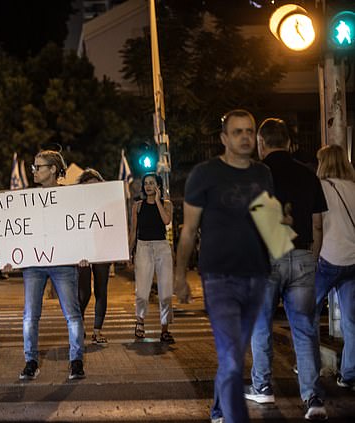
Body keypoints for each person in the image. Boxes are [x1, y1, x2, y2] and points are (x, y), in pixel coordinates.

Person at [174, 109, 274, 423]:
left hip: (257, 276)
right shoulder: (205, 175)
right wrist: (180, 276)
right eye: (237, 132)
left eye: (249, 131)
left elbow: (270, 226)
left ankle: (218, 409)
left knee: (234, 355)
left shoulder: (262, 174)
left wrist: (281, 229)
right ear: (223, 138)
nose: (245, 137)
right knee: (232, 359)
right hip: (218, 277)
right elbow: (188, 230)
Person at [245, 118, 327, 420]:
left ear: (261, 143)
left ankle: (263, 387)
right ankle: (313, 397)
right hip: (303, 255)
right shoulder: (308, 175)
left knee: (261, 325)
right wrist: (312, 257)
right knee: (305, 330)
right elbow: (318, 223)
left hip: (266, 258)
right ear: (289, 142)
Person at [6, 149, 85, 381]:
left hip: (63, 262)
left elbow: (79, 228)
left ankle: (76, 361)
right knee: (30, 315)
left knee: (72, 313)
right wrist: (10, 257)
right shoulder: (27, 199)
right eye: (33, 167)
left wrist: (84, 253)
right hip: (33, 264)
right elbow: (18, 230)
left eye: (38, 167)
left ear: (52, 169)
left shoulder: (70, 196)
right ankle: (30, 361)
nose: (34, 171)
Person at [314, 144, 355, 392]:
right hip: (352, 261)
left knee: (307, 314)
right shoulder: (354, 188)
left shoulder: (320, 188)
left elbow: (317, 226)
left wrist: (313, 254)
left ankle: (310, 365)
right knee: (351, 321)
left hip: (328, 258)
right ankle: (349, 374)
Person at [129, 173, 174, 343]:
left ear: (158, 186)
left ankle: (165, 328)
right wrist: (129, 251)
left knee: (166, 292)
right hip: (143, 247)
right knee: (142, 291)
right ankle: (140, 322)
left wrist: (158, 201)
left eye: (152, 183)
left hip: (162, 247)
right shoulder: (137, 206)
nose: (148, 186)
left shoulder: (167, 204)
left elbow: (166, 221)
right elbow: (134, 232)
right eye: (146, 183)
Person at [76, 168, 111, 345]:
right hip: (82, 253)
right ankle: (79, 321)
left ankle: (97, 331)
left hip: (102, 251)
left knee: (101, 291)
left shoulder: (108, 205)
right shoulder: (75, 206)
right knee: (84, 292)